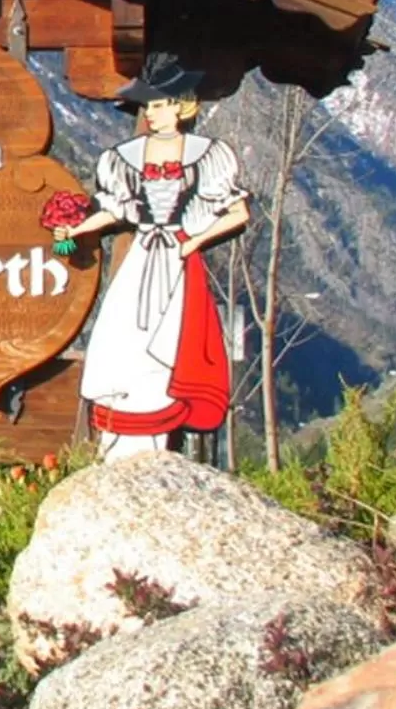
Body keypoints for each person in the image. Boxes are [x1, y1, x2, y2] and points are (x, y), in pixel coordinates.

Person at [51, 52, 250, 462]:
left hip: (175, 258)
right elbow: (116, 211)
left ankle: (155, 446)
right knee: (122, 337)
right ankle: (116, 443)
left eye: (159, 104)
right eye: (149, 106)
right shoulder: (126, 158)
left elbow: (237, 212)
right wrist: (75, 229)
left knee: (167, 342)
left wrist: (194, 241)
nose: (152, 113)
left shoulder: (206, 154)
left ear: (181, 106)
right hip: (142, 255)